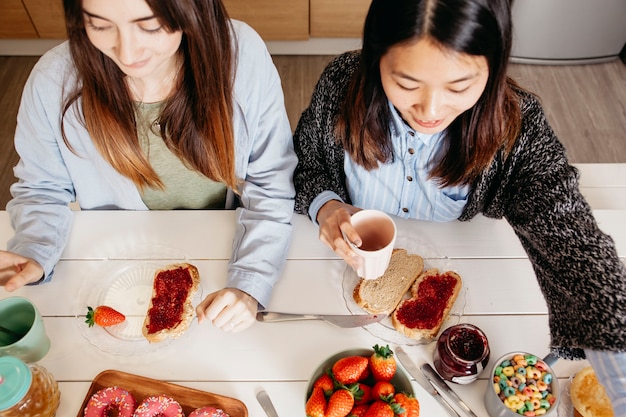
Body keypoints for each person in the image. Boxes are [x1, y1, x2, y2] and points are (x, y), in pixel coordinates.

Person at [293, 0, 625, 412]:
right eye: (407, 83)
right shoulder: (340, 86)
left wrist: (619, 360)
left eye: (459, 87)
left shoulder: (515, 127)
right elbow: (304, 167)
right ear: (376, 56)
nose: (431, 112)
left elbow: (571, 236)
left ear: (495, 66)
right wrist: (326, 207)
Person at [0, 0, 296, 333]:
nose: (126, 52)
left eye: (150, 25)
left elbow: (271, 182)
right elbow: (41, 188)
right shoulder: (52, 81)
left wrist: (251, 280)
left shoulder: (242, 56)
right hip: (120, 263)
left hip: (229, 242)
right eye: (99, 25)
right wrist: (36, 248)